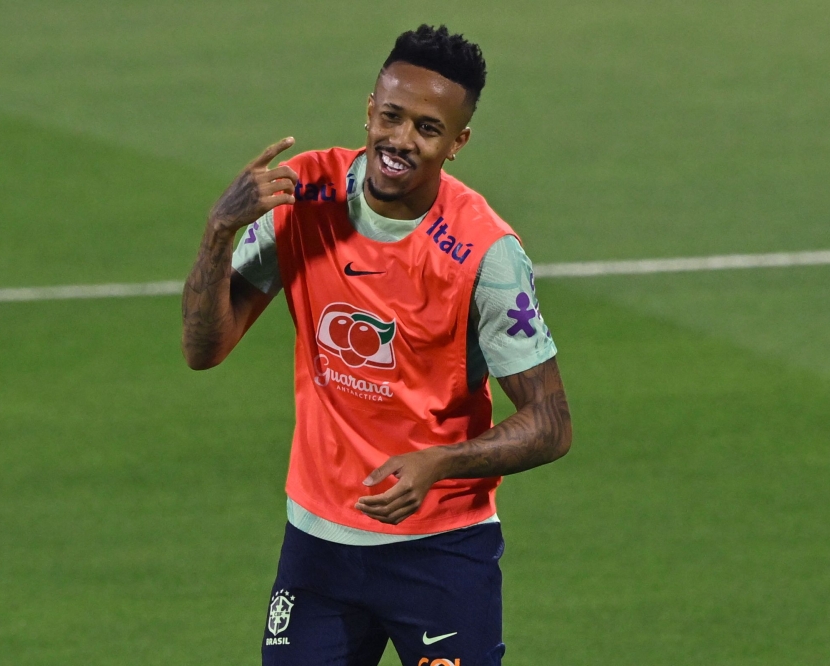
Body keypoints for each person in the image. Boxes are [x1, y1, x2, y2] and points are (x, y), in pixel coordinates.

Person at [181, 24, 572, 666]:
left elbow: (552, 425)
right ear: (369, 108)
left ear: (457, 143)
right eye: (391, 117)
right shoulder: (303, 192)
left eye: (427, 128)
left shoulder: (486, 254)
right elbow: (205, 347)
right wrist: (219, 230)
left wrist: (437, 464)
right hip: (319, 549)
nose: (401, 141)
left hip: (441, 552)